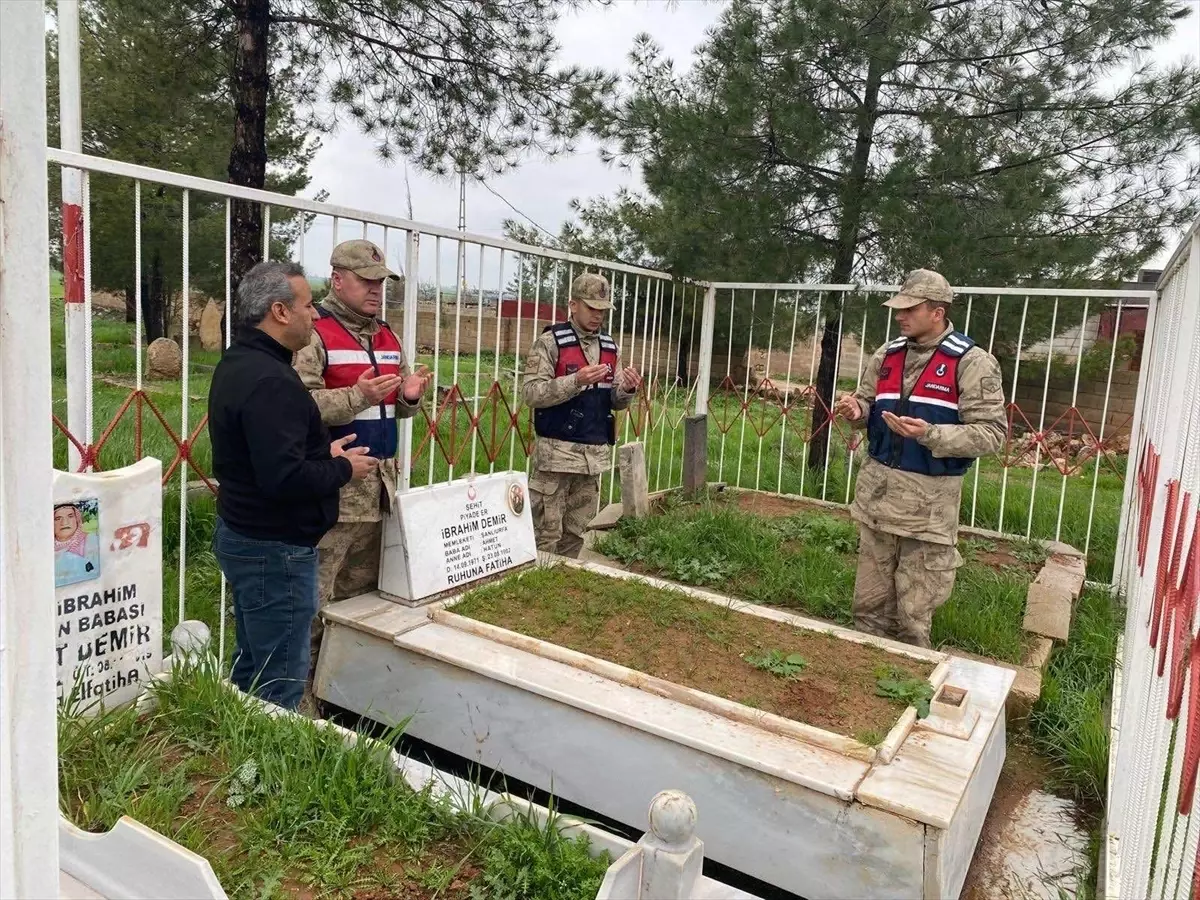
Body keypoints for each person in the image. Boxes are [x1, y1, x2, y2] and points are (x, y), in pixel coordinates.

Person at [208, 260, 375, 710]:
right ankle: (263, 753)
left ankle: (239, 736)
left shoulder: (242, 363)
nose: (315, 315)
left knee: (254, 661)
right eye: (307, 305)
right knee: (278, 681)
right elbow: (283, 478)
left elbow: (264, 453)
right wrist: (342, 469)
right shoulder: (270, 380)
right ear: (279, 311)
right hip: (275, 549)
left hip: (249, 536)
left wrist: (322, 453)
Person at [834, 268, 1007, 649]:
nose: (900, 316)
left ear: (937, 312)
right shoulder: (888, 354)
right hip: (877, 501)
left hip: (928, 510)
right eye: (899, 308)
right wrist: (857, 410)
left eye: (910, 309)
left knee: (912, 618)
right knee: (868, 610)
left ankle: (909, 677)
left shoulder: (973, 362)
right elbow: (867, 401)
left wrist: (930, 434)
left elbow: (992, 434)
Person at [293, 240, 432, 709]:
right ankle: (300, 697)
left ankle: (343, 693)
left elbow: (398, 408)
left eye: (381, 282)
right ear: (337, 280)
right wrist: (358, 396)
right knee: (314, 601)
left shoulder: (386, 336)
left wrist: (409, 396)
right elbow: (296, 405)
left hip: (379, 493)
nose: (376, 290)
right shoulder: (314, 333)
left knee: (360, 602)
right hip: (332, 494)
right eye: (366, 280)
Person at [521, 273, 643, 557]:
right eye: (591, 308)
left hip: (592, 460)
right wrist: (576, 381)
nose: (598, 315)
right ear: (573, 305)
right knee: (544, 537)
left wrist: (627, 389)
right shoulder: (550, 342)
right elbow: (531, 393)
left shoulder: (609, 347)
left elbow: (614, 401)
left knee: (575, 536)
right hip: (557, 459)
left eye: (603, 310)